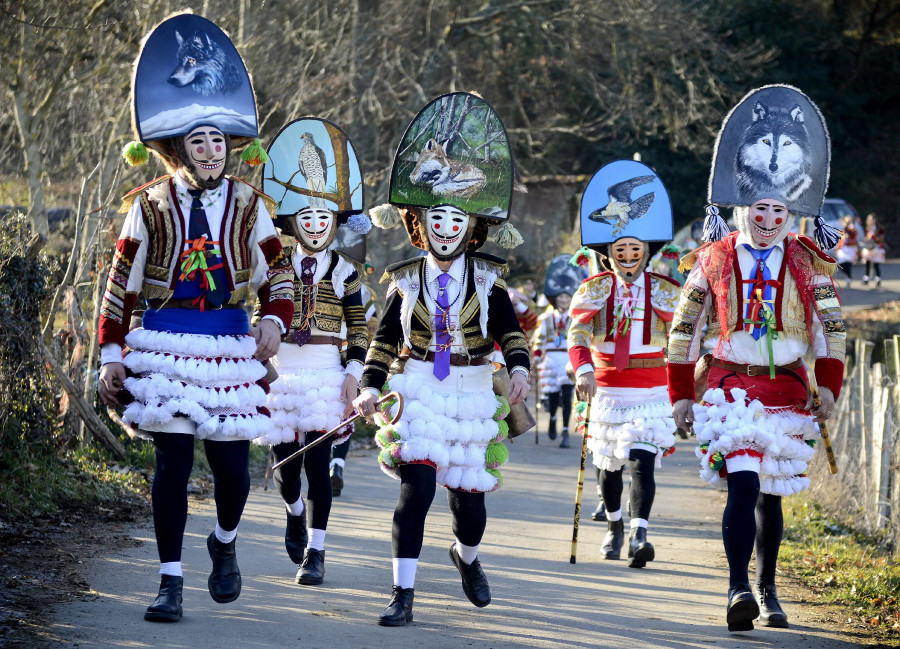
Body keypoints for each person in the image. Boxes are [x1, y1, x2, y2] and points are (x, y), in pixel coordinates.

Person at [96, 14, 293, 623]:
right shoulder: (146, 207)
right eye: (197, 141)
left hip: (230, 347)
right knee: (173, 462)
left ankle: (225, 543)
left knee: (232, 470)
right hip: (163, 343)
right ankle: (170, 581)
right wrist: (110, 354)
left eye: (218, 141)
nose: (210, 152)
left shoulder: (251, 206)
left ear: (229, 147)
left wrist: (275, 322)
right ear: (178, 147)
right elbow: (119, 284)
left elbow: (278, 273)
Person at [667, 85, 845, 632]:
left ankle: (768, 589)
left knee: (771, 495)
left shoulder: (808, 263)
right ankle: (737, 587)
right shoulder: (712, 261)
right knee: (743, 482)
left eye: (778, 209)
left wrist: (830, 386)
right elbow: (683, 329)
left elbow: (829, 329)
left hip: (788, 391)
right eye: (759, 208)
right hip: (730, 388)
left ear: (789, 213)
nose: (768, 218)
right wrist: (680, 396)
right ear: (742, 208)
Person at [352, 92, 530, 626]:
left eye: (457, 220)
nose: (447, 228)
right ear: (420, 224)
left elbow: (510, 333)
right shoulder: (405, 282)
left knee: (468, 504)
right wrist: (367, 385)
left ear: (471, 227)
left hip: (474, 392)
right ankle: (401, 592)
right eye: (437, 218)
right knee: (418, 485)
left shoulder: (490, 281)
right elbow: (383, 340)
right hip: (420, 390)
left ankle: (466, 556)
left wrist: (518, 369)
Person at [256, 117, 372, 585]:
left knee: (320, 467)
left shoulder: (346, 271)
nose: (316, 225)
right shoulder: (274, 265)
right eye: (307, 218)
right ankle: (293, 511)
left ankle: (318, 553)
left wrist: (355, 370)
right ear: (294, 223)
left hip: (327, 373)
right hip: (284, 373)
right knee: (287, 469)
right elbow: (259, 309)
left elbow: (361, 328)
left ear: (334, 223)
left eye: (324, 218)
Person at [568, 159, 681, 569]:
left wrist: (691, 376)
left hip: (652, 388)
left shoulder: (668, 292)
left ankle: (639, 531)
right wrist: (583, 370)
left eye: (635, 249)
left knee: (642, 461)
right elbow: (577, 334)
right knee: (609, 468)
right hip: (606, 389)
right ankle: (614, 524)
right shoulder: (593, 289)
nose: (629, 256)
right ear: (609, 253)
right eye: (621, 249)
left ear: (647, 251)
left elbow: (684, 338)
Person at [331, 282, 379, 497]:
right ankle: (337, 465)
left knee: (327, 415)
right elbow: (373, 331)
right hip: (353, 359)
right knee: (345, 413)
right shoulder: (364, 291)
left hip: (326, 359)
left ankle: (328, 467)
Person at [533, 253, 586, 447]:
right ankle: (553, 418)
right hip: (551, 361)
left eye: (567, 297)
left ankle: (565, 431)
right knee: (554, 397)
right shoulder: (547, 319)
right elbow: (538, 340)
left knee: (567, 394)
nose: (564, 300)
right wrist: (537, 356)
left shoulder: (575, 319)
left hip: (568, 359)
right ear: (556, 299)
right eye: (561, 297)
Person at [861, 212, 886, 287]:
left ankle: (878, 279)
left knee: (876, 264)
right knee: (867, 263)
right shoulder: (867, 228)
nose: (872, 221)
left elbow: (881, 238)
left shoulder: (879, 228)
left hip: (876, 247)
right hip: (869, 248)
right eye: (871, 220)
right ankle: (866, 278)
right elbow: (866, 238)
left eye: (873, 219)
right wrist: (866, 239)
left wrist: (874, 237)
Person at [834, 215, 858, 287]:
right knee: (840, 264)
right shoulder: (842, 231)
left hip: (851, 248)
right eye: (846, 222)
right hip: (843, 249)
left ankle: (848, 279)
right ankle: (849, 275)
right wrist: (837, 247)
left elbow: (854, 238)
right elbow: (839, 240)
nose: (848, 223)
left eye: (849, 222)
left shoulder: (853, 231)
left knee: (848, 264)